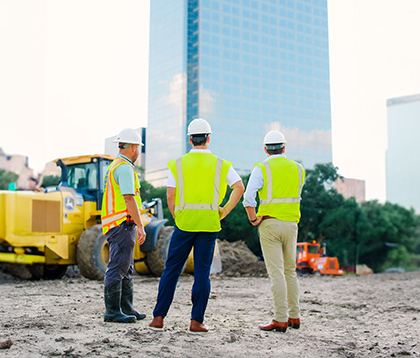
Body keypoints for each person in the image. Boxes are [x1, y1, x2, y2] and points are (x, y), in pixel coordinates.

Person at [149, 118, 245, 334]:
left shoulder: (178, 164)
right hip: (210, 224)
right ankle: (196, 322)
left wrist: (178, 217)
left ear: (190, 139)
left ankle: (158, 318)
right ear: (208, 138)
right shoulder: (221, 164)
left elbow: (170, 195)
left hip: (184, 224)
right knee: (202, 272)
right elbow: (239, 187)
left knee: (171, 270)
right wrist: (224, 210)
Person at [243, 130, 305, 333]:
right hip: (291, 225)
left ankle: (280, 319)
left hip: (270, 225)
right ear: (284, 148)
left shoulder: (262, 168)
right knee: (290, 272)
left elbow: (248, 197)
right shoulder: (298, 169)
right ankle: (294, 316)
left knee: (276, 272)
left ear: (265, 149)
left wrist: (253, 218)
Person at [101, 128, 148, 323]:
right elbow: (129, 199)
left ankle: (126, 308)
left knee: (126, 267)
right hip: (121, 224)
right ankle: (112, 312)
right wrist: (141, 225)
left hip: (119, 224)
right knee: (118, 266)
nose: (138, 152)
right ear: (134, 148)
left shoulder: (117, 166)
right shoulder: (124, 168)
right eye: (138, 148)